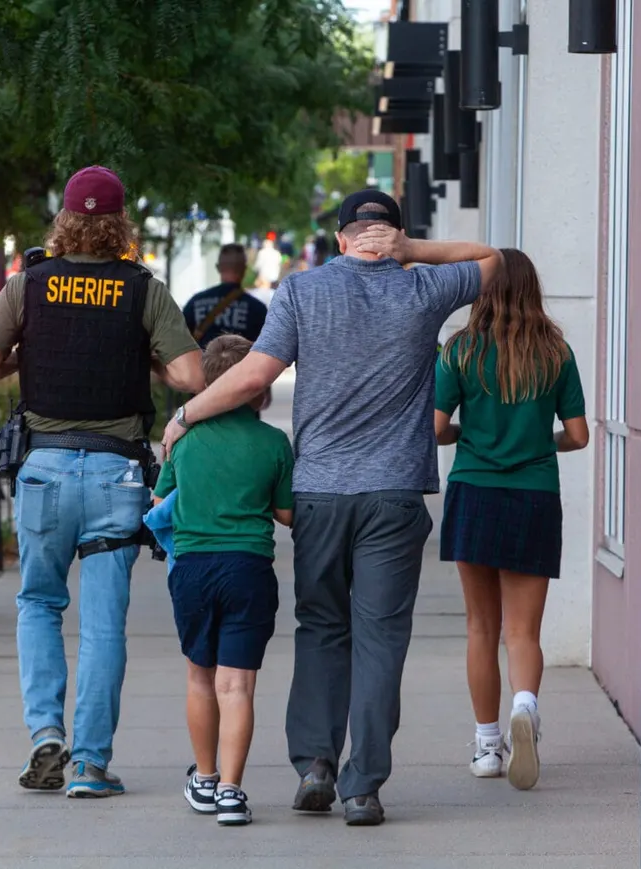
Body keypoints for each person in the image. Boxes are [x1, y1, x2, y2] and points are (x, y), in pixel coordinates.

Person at [160, 189, 502, 826]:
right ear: (392, 238)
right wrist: (413, 252)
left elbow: (255, 375)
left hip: (319, 494)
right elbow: (495, 259)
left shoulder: (301, 291)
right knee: (381, 639)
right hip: (393, 497)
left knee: (321, 628)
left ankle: (316, 762)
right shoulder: (423, 289)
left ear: (341, 237)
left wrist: (186, 413)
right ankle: (363, 786)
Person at [0, 165, 205, 798]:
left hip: (43, 472)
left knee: (39, 603)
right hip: (117, 473)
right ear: (121, 224)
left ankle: (45, 735)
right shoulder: (142, 289)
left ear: (65, 220)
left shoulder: (29, 285)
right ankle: (90, 765)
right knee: (102, 626)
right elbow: (191, 376)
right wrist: (142, 355)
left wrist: (26, 354)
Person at [433, 248, 589, 790]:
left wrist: (464, 436)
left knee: (481, 627)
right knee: (524, 632)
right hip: (534, 495)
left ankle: (486, 746)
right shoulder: (555, 352)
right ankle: (527, 707)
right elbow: (578, 436)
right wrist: (536, 444)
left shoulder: (460, 351)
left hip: (474, 490)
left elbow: (434, 428)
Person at [151, 334, 295, 827]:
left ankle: (205, 778)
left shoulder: (182, 438)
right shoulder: (274, 443)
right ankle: (232, 792)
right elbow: (287, 513)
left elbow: (159, 503)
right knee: (238, 686)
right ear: (258, 389)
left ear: (208, 385)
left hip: (193, 569)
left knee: (200, 675)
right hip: (248, 569)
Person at [182, 244, 269, 348]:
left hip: (201, 363)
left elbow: (179, 344)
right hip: (245, 364)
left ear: (218, 268)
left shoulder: (195, 303)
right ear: (244, 269)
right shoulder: (258, 310)